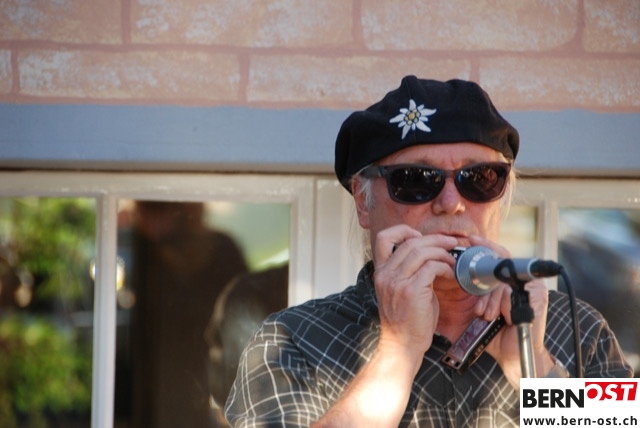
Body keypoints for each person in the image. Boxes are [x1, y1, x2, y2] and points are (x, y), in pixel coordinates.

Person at [224, 76, 633, 427]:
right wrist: (397, 354)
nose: (452, 204)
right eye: (417, 179)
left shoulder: (581, 330)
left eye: (480, 178)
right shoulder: (291, 341)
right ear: (363, 202)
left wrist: (534, 368)